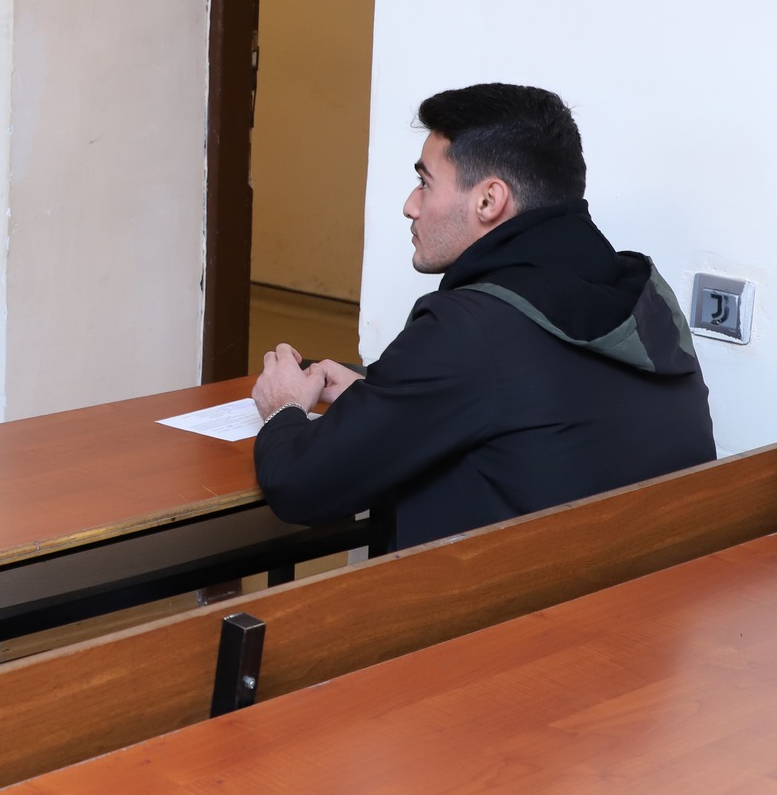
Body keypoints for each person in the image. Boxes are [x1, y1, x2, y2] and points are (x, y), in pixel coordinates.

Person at [251, 83, 713, 551]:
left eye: (425, 183)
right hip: (643, 586)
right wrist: (384, 398)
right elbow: (535, 405)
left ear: (489, 201)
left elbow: (299, 485)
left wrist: (284, 406)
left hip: (506, 595)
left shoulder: (467, 328)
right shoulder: (644, 297)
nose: (410, 205)